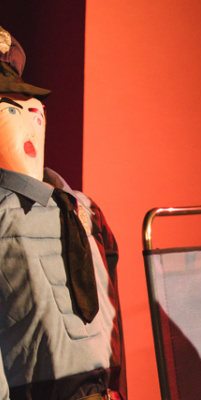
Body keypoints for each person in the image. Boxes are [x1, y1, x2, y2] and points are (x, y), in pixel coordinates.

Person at [0, 27, 126, 399]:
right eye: (9, 110)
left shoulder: (84, 210)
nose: (29, 122)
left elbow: (112, 321)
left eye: (32, 109)